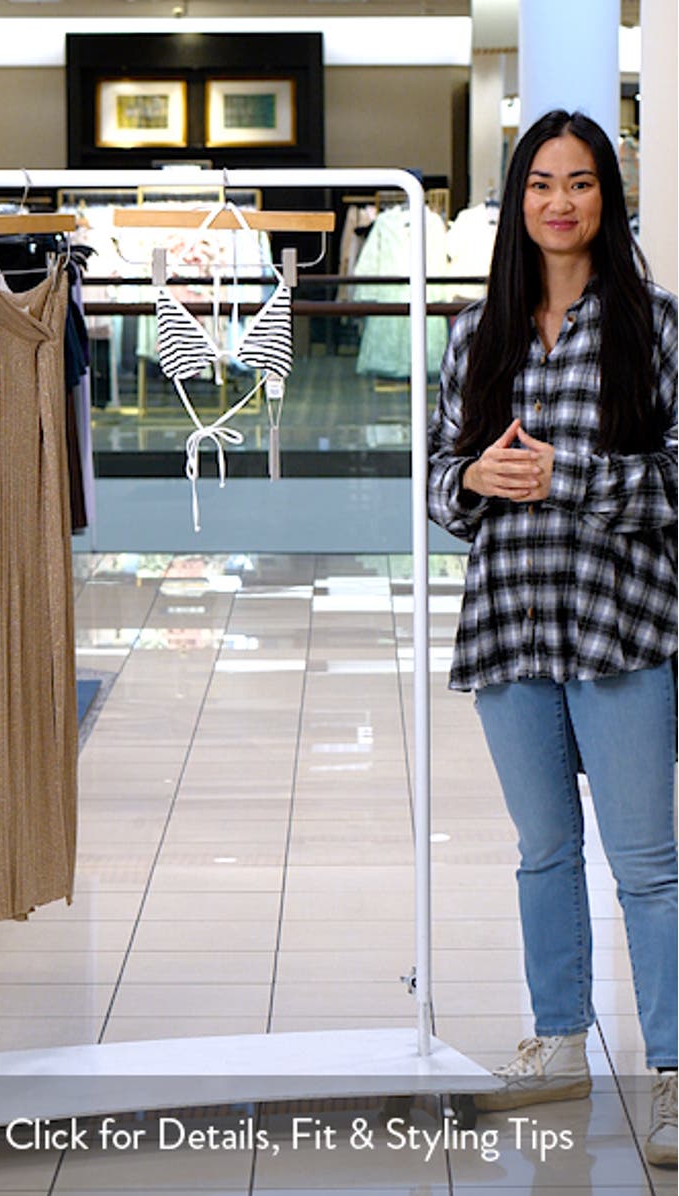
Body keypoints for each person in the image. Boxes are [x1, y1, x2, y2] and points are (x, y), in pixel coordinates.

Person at [428, 109, 677, 1167]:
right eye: (540, 183)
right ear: (515, 198)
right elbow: (442, 480)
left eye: (580, 183)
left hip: (622, 630)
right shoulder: (475, 334)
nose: (560, 202)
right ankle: (560, 1038)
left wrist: (565, 477)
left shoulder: (655, 325)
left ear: (606, 200)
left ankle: (670, 1070)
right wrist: (474, 479)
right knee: (543, 852)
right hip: (511, 633)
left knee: (648, 865)